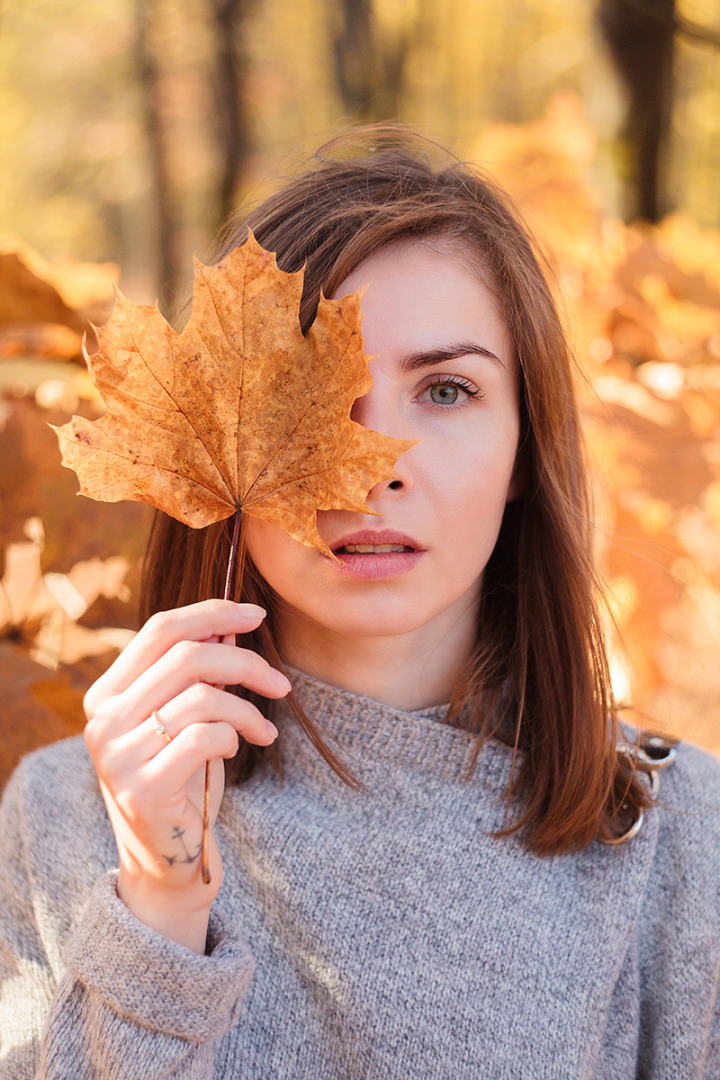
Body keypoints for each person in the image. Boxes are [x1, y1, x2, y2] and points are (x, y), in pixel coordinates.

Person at [1, 127, 719, 1080]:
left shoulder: (681, 842)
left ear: (523, 448)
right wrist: (159, 904)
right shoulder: (69, 812)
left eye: (448, 389)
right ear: (215, 450)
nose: (374, 467)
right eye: (315, 397)